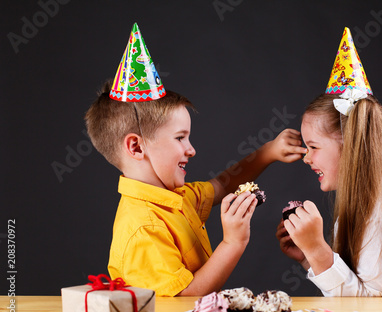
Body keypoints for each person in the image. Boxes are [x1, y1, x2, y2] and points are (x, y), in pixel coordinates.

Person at [85, 80, 305, 296]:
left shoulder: (175, 197)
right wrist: (233, 242)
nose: (191, 150)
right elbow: (184, 300)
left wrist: (268, 152)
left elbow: (222, 185)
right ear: (136, 146)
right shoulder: (144, 227)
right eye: (180, 138)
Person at [276, 27, 382, 297]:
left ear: (350, 148)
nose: (306, 157)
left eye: (313, 147)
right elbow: (355, 286)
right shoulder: (362, 202)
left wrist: (318, 251)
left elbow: (372, 311)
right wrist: (308, 256)